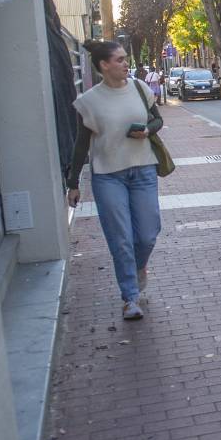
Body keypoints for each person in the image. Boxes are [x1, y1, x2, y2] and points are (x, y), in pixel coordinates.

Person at [66, 39, 163, 321]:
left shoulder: (139, 88)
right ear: (103, 66)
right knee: (120, 239)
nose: (125, 64)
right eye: (119, 60)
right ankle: (129, 298)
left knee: (147, 233)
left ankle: (138, 266)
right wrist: (73, 182)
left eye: (124, 59)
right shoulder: (88, 102)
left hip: (143, 169)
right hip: (108, 175)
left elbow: (157, 120)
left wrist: (147, 130)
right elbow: (80, 145)